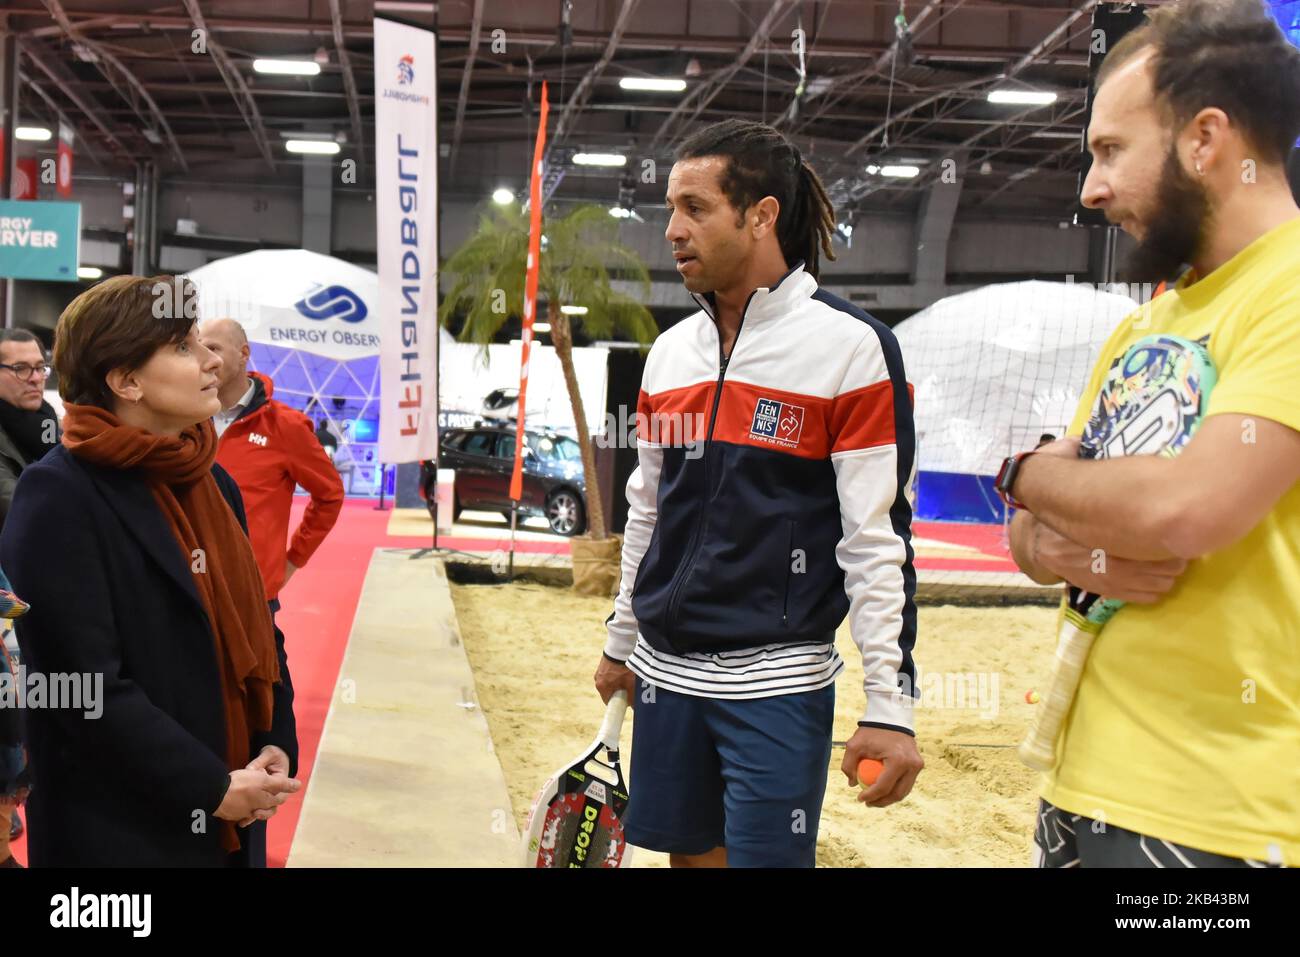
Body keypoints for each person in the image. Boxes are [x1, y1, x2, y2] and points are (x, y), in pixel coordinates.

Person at [1005, 0, 1300, 867]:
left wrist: (1021, 472)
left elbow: (1181, 509)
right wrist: (1066, 542)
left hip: (1224, 818)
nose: (1090, 188)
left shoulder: (1287, 293)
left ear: (1205, 139)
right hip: (1081, 786)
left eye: (1109, 150)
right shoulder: (1152, 322)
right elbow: (1032, 539)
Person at [594, 119, 923, 868]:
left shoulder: (853, 348)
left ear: (762, 215)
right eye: (670, 209)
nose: (672, 230)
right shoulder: (672, 352)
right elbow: (647, 511)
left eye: (695, 208)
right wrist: (620, 644)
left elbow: (876, 539)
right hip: (665, 677)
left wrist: (890, 707)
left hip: (778, 687)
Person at [0, 275, 301, 866]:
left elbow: (261, 627)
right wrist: (210, 788)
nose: (212, 359)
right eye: (185, 347)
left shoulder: (212, 483)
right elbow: (80, 689)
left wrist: (275, 742)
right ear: (126, 381)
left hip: (235, 805)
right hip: (122, 828)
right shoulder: (58, 494)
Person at [199, 319, 344, 607]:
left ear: (243, 353)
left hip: (251, 595)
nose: (206, 359)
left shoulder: (285, 427)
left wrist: (293, 560)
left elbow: (330, 495)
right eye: (199, 349)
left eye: (214, 348)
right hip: (190, 587)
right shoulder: (184, 418)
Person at [0, 329, 61, 528]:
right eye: (20, 368)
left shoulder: (48, 422)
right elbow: (21, 509)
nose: (35, 378)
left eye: (40, 367)